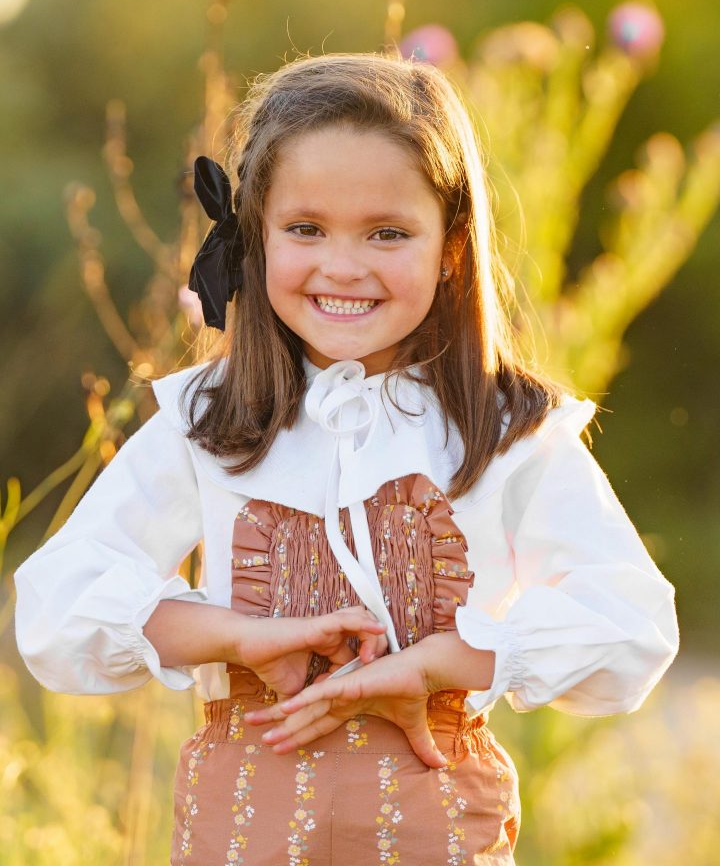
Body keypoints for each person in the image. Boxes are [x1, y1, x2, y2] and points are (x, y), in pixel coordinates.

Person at [14, 53, 679, 865]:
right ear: (255, 234)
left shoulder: (506, 428)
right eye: (306, 229)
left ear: (452, 247)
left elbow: (631, 626)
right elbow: (57, 607)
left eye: (388, 233)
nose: (343, 265)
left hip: (437, 836)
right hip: (241, 834)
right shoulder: (209, 419)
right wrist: (236, 635)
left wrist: (442, 663)